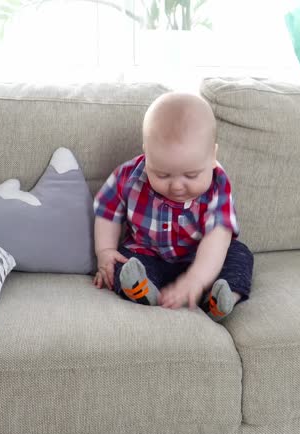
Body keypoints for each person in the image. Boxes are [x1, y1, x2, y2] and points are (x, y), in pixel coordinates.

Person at [91, 92, 253, 321]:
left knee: (239, 255)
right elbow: (107, 211)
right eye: (162, 174)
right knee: (123, 264)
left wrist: (196, 278)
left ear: (212, 155)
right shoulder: (129, 176)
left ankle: (222, 297)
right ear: (147, 153)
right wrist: (105, 251)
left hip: (202, 259)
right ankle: (143, 290)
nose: (177, 186)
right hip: (148, 254)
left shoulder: (218, 184)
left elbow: (217, 236)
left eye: (191, 175)